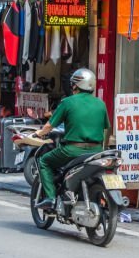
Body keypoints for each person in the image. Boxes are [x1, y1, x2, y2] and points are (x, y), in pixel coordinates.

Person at [33, 68, 109, 209]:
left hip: (73, 150)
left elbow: (49, 125)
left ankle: (51, 198)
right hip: (97, 151)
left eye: (73, 84)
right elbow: (106, 129)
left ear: (76, 85)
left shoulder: (68, 102)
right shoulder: (101, 104)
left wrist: (38, 133)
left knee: (44, 161)